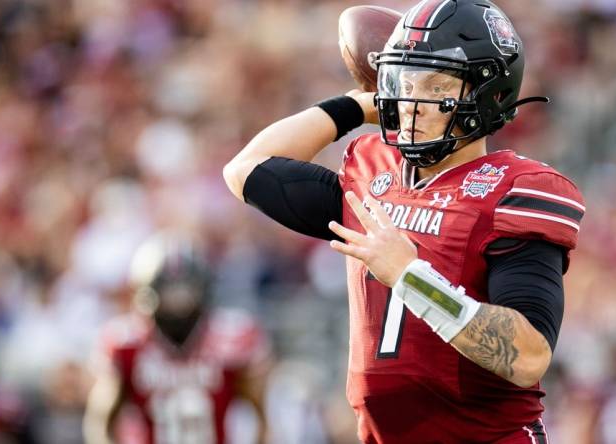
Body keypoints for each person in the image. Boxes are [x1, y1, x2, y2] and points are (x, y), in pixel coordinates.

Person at [223, 0, 584, 441]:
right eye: (405, 82)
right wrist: (354, 108)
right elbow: (246, 169)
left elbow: (528, 355)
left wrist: (412, 278)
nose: (411, 103)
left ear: (488, 95)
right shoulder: (373, 174)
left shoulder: (512, 188)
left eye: (435, 86)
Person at [83, 233, 271, 444]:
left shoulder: (233, 339)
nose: (178, 306)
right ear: (146, 295)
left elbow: (263, 418)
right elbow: (102, 422)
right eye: (169, 294)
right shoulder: (125, 343)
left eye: (185, 293)